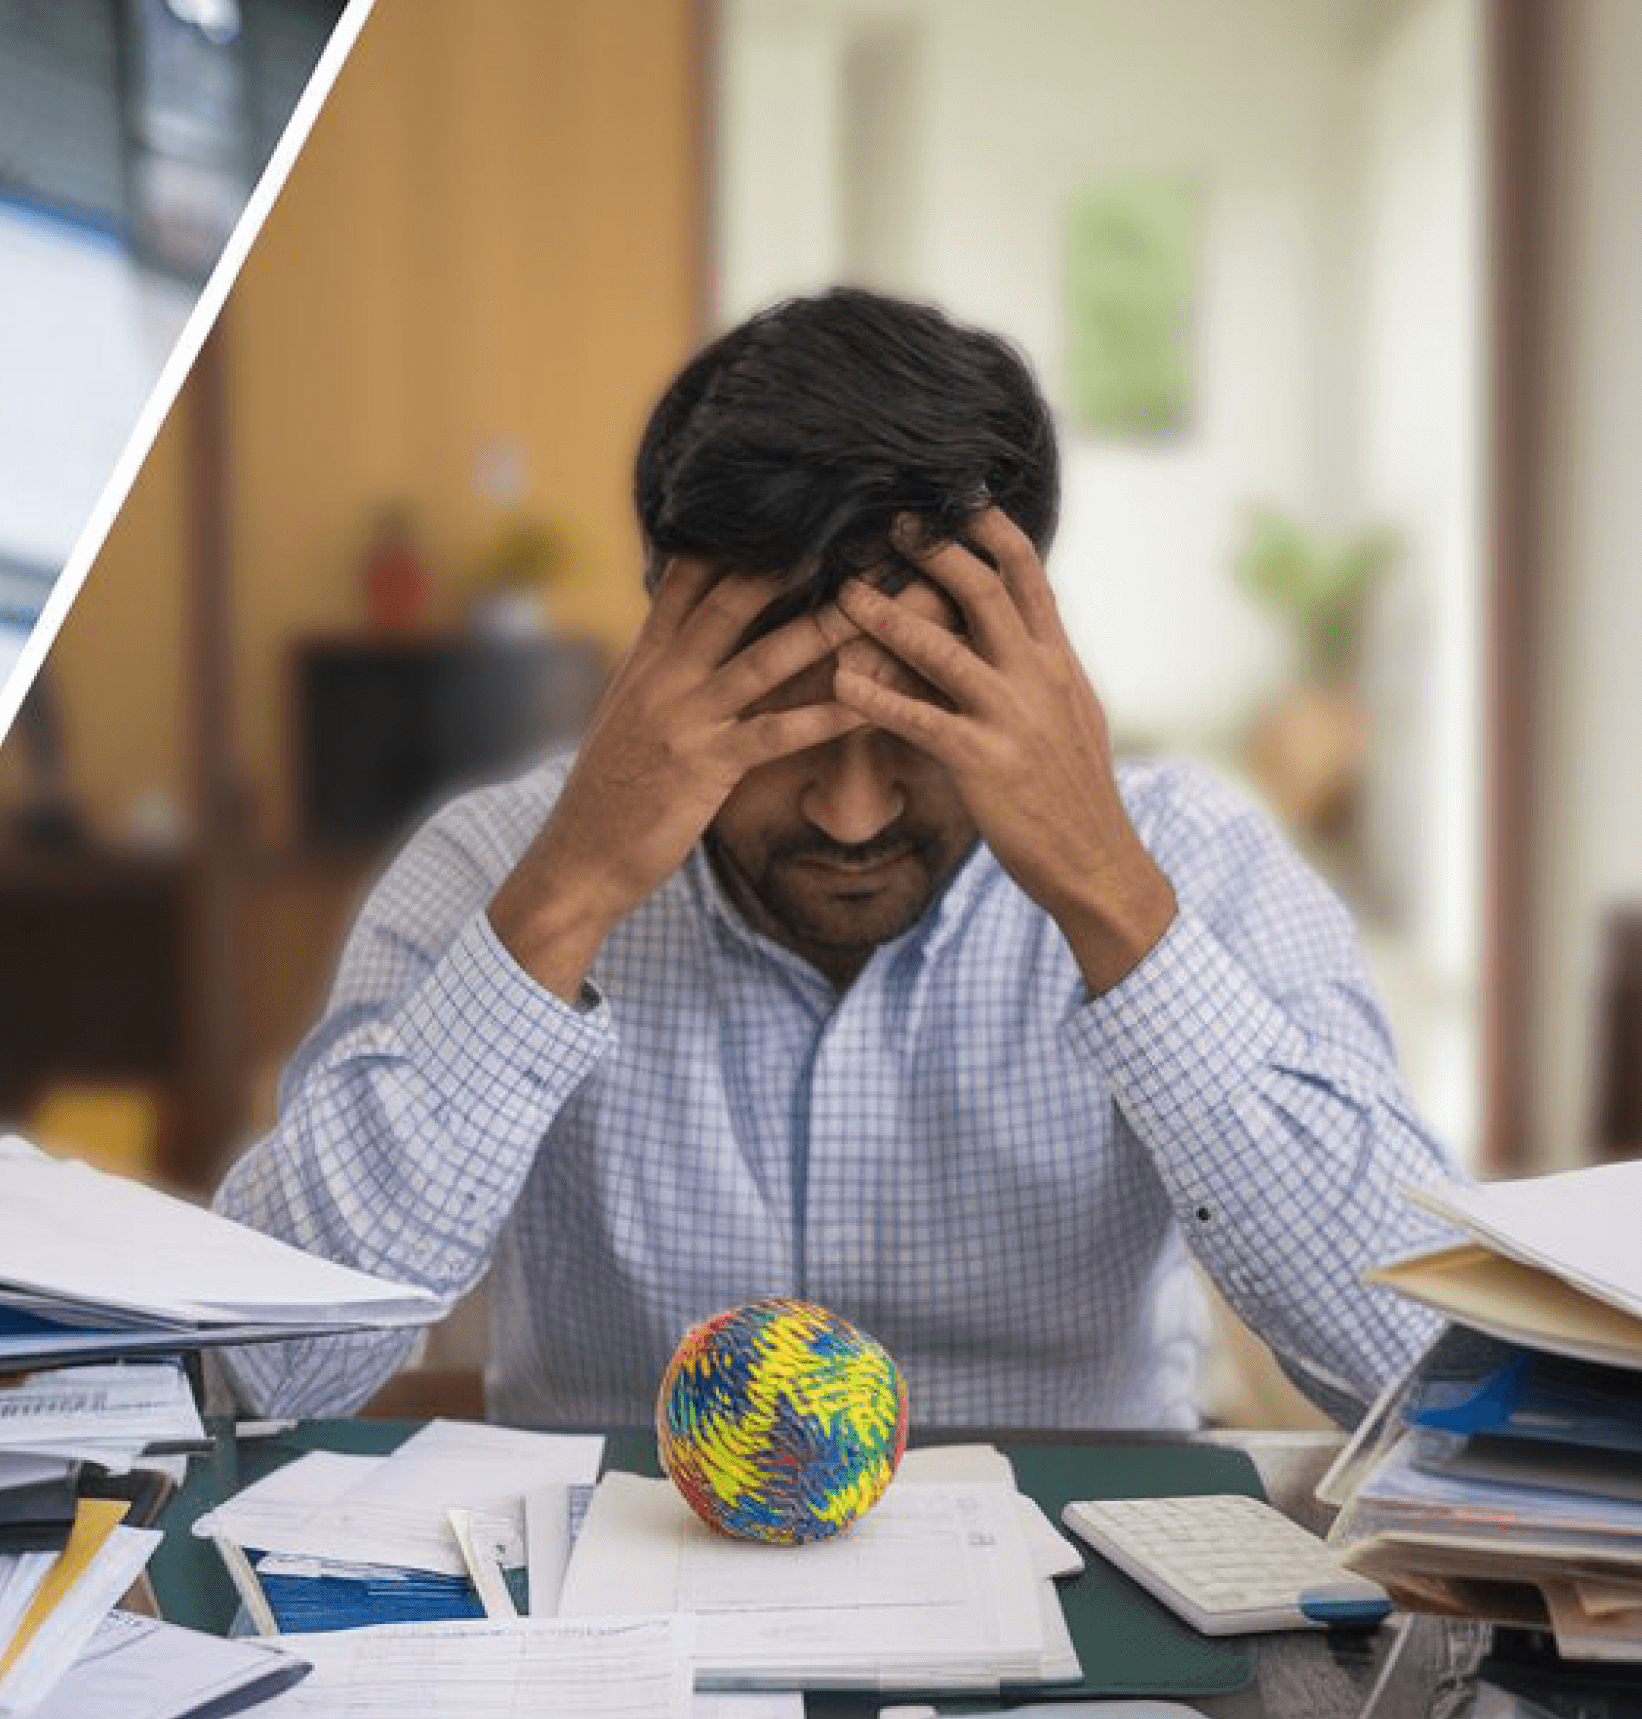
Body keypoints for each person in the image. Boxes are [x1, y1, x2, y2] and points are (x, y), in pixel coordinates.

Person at [216, 288, 1457, 1431]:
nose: (856, 816)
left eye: (924, 719)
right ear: (662, 663)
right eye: (780, 722)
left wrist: (1112, 902)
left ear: (1030, 656)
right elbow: (265, 1371)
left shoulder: (1194, 857)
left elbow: (1420, 1358)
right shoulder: (496, 863)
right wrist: (575, 889)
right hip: (619, 1604)